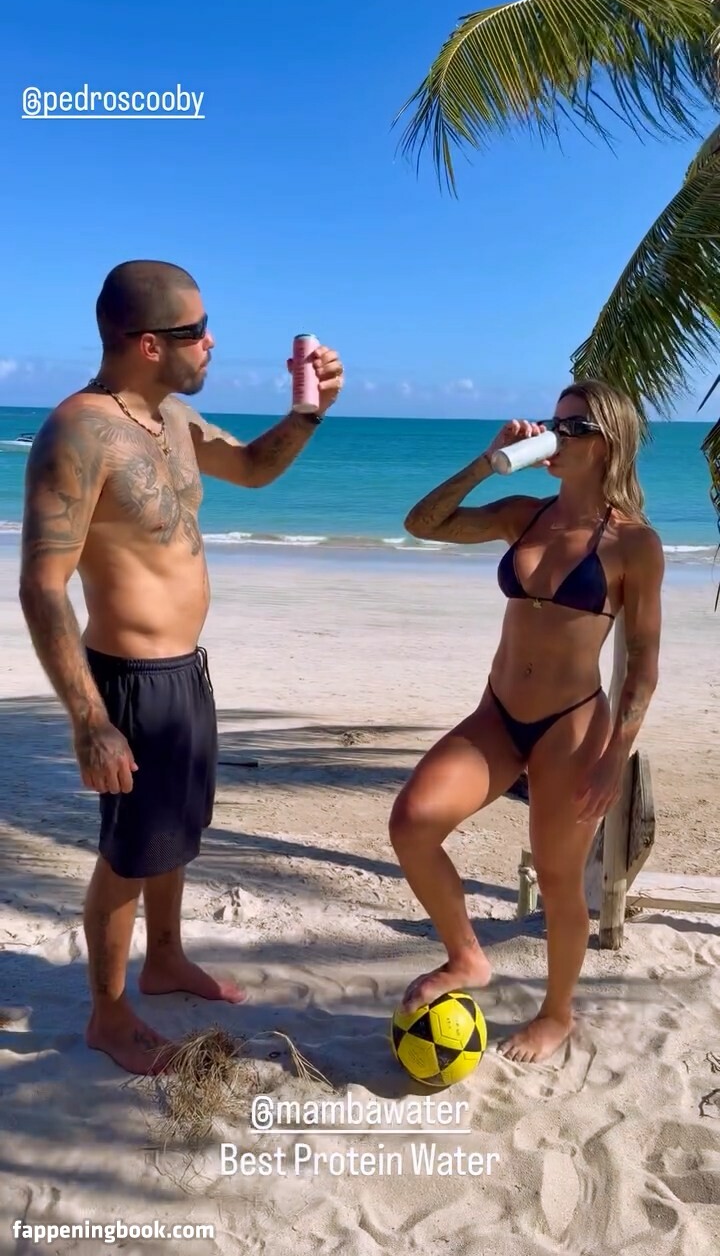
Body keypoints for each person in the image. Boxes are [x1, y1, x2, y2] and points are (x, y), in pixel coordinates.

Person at [18, 260, 344, 1075]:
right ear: (148, 343)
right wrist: (90, 721)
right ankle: (107, 1014)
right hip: (128, 682)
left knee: (176, 833)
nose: (212, 342)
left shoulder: (173, 418)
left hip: (186, 671)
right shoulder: (76, 432)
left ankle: (163, 959)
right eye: (197, 330)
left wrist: (308, 413)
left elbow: (255, 468)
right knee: (129, 854)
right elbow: (43, 587)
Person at [389, 381, 663, 1062]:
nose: (553, 436)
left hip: (572, 727)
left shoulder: (634, 543)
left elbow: (643, 664)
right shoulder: (523, 515)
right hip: (497, 714)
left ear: (606, 443)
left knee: (559, 880)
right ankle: (466, 957)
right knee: (412, 822)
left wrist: (615, 756)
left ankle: (557, 1014)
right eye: (552, 422)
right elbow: (422, 523)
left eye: (571, 428)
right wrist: (488, 462)